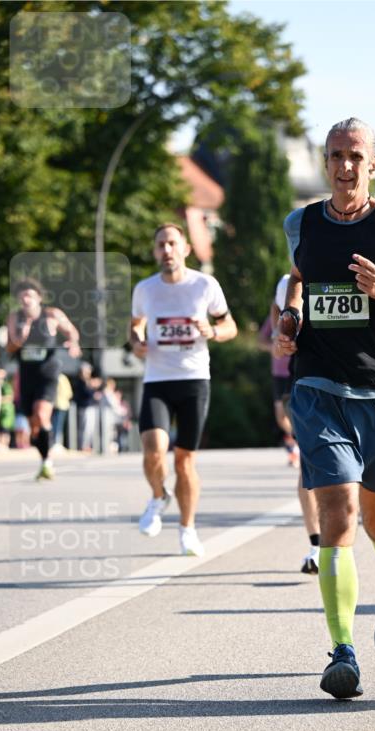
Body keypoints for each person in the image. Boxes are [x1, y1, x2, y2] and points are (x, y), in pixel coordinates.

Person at [274, 117, 375, 700]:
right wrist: (291, 320)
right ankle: (341, 652)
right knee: (338, 516)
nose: (345, 166)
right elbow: (298, 280)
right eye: (336, 155)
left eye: (355, 156)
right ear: (325, 162)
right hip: (318, 387)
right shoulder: (301, 224)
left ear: (372, 164)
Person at [130, 222, 237, 556]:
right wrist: (137, 342)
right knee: (152, 450)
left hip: (193, 379)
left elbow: (229, 325)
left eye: (172, 243)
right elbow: (135, 326)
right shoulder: (145, 289)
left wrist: (213, 332)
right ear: (155, 251)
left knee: (184, 461)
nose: (167, 250)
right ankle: (159, 496)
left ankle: (187, 528)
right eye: (161, 244)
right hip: (157, 379)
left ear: (185, 249)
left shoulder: (204, 285)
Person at [267, 275, 322, 573]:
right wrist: (283, 342)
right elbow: (279, 343)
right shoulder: (289, 283)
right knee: (309, 464)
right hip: (306, 379)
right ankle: (318, 545)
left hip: (358, 381)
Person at [5, 278, 81, 480]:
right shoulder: (15, 318)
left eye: (29, 294)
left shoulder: (52, 315)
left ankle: (47, 461)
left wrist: (73, 344)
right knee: (33, 426)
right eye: (22, 295)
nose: (25, 298)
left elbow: (72, 332)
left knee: (41, 414)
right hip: (27, 373)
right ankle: (45, 460)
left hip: (48, 372)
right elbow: (9, 348)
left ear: (38, 297)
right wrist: (20, 338)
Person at [261, 275, 300, 467]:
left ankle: (297, 445)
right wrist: (278, 342)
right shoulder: (285, 285)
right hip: (280, 370)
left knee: (297, 412)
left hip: (303, 367)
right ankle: (296, 441)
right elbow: (262, 341)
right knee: (280, 414)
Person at [73, 362, 102, 451]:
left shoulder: (87, 381)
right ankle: (83, 445)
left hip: (90, 406)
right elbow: (85, 393)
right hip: (85, 407)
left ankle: (87, 445)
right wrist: (92, 390)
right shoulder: (81, 381)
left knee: (90, 428)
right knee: (85, 427)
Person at [52, 372, 73, 449]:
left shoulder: (58, 377)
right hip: (61, 404)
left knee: (56, 425)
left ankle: (56, 443)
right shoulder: (63, 378)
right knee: (58, 425)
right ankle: (56, 443)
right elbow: (69, 393)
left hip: (57, 404)